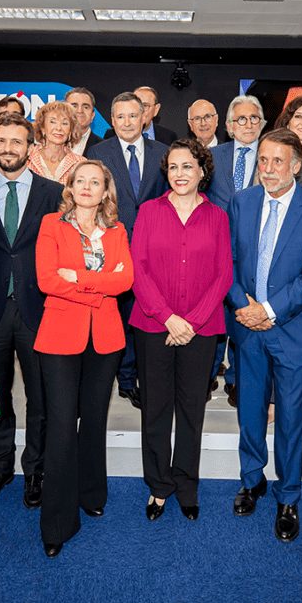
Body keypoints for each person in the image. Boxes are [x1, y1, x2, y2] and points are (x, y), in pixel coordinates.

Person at [227, 128, 302, 543]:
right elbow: (230, 262)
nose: (268, 169)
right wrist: (245, 308)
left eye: (277, 162)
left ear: (296, 165)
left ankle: (288, 495)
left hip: (291, 329)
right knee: (250, 409)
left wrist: (268, 310)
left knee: (291, 420)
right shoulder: (242, 201)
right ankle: (251, 480)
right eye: (263, 160)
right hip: (248, 329)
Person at [35, 159, 134, 558]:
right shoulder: (51, 225)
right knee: (61, 424)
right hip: (59, 337)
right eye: (81, 181)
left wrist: (79, 278)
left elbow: (125, 281)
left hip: (105, 338)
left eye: (96, 181)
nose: (88, 187)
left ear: (106, 190)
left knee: (94, 420)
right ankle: (57, 523)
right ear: (70, 187)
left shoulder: (116, 230)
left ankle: (92, 492)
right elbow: (47, 280)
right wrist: (100, 287)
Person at [130, 139, 233, 522]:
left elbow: (224, 274)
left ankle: (186, 485)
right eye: (173, 167)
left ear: (202, 171)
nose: (180, 174)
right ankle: (159, 486)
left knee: (191, 410)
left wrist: (191, 321)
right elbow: (138, 269)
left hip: (201, 329)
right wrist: (168, 317)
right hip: (153, 325)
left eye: (187, 166)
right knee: (155, 410)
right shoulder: (148, 212)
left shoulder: (218, 217)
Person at [0, 113, 64, 511]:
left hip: (39, 308)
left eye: (17, 141)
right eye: (2, 141)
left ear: (32, 147)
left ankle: (35, 470)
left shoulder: (56, 192)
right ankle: (1, 467)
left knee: (39, 397)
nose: (8, 148)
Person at [87, 91, 169, 409]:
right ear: (112, 119)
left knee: (146, 316)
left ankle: (143, 378)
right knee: (117, 317)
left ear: (144, 117)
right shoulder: (98, 152)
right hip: (112, 248)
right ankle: (123, 379)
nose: (126, 122)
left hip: (153, 250)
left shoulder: (163, 152)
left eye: (133, 116)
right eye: (119, 117)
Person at [208, 95, 267, 406]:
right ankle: (206, 377)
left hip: (257, 251)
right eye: (240, 119)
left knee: (243, 316)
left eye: (254, 118)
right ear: (229, 126)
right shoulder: (211, 156)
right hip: (215, 249)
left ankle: (236, 381)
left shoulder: (271, 157)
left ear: (262, 124)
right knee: (214, 316)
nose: (247, 124)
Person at [27, 100, 85, 184]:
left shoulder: (80, 164)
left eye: (64, 123)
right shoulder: (26, 160)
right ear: (42, 128)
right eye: (53, 122)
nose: (58, 128)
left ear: (70, 131)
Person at [105, 86, 177, 144]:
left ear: (156, 109)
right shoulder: (111, 135)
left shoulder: (169, 137)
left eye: (145, 105)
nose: (140, 111)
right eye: (135, 106)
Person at [65, 87, 103, 156]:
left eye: (86, 107)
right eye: (74, 106)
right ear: (64, 112)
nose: (80, 111)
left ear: (92, 115)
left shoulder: (105, 148)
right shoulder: (48, 145)